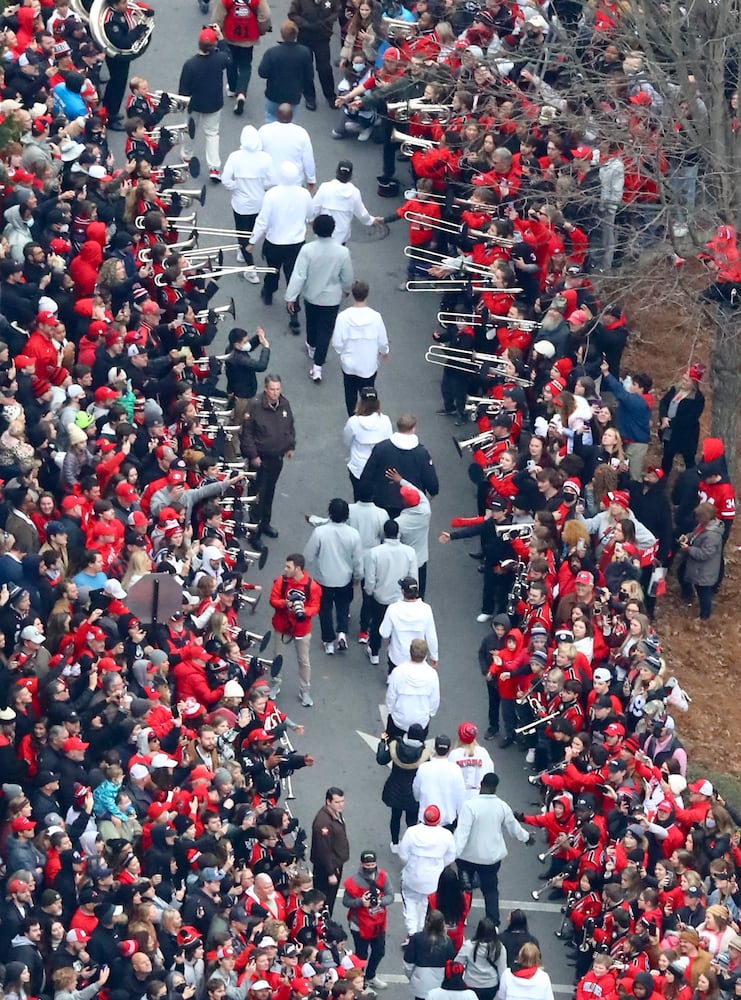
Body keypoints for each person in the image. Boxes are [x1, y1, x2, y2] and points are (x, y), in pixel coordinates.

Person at [453, 772, 534, 926]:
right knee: (490, 890)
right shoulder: (502, 806)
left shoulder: (470, 806)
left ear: (481, 785)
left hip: (467, 857)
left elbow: (462, 834)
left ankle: (462, 917)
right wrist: (526, 838)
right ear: (495, 788)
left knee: (464, 887)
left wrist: (454, 854)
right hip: (490, 858)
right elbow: (514, 827)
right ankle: (493, 922)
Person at [284, 214, 354, 374]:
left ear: (315, 229)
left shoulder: (307, 250)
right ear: (333, 230)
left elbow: (299, 275)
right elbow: (347, 275)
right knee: (326, 330)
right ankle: (318, 366)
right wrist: (346, 289)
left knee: (312, 322)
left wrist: (291, 297)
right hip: (332, 298)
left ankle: (311, 345)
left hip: (311, 295)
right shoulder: (342, 252)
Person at [248, 160, 314, 307]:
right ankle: (294, 311)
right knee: (293, 276)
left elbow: (262, 221)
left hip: (275, 242)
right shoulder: (304, 194)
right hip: (296, 243)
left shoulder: (272, 194)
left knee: (272, 270)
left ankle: (268, 293)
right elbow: (311, 215)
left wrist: (252, 241)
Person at [240, 373, 297, 539]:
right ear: (266, 389)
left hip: (276, 458)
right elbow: (247, 434)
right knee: (257, 495)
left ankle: (265, 523)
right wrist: (253, 455)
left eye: (278, 389)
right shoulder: (255, 406)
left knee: (269, 492)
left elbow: (290, 426)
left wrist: (290, 446)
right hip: (260, 459)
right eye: (272, 389)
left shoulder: (284, 404)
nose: (275, 393)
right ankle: (253, 531)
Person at [304, 497, 363, 654]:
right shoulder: (354, 535)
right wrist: (357, 577)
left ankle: (328, 641)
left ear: (330, 514)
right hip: (345, 578)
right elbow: (357, 560)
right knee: (343, 605)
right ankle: (342, 632)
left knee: (325, 609)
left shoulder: (320, 532)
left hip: (323, 578)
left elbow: (308, 555)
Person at [221, 126, 277, 282]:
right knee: (253, 229)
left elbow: (226, 180)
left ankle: (250, 269)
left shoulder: (235, 157)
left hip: (240, 204)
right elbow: (272, 180)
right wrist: (260, 186)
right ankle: (243, 251)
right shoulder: (265, 158)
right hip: (259, 202)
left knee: (242, 233)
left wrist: (236, 186)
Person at [179, 25, 232, 183]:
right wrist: (221, 39)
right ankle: (214, 168)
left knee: (190, 131)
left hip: (194, 105)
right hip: (214, 104)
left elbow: (183, 90)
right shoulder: (220, 59)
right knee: (212, 134)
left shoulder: (190, 64)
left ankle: (186, 158)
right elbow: (229, 57)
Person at [359, 414, 439, 517]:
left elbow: (367, 475)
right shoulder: (421, 453)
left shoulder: (381, 448)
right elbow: (431, 482)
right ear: (413, 429)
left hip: (384, 501)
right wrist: (433, 491)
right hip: (411, 503)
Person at [269, 552, 322, 706]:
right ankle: (275, 683)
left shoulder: (312, 586)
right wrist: (284, 604)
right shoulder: (281, 581)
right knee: (277, 656)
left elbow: (315, 606)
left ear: (298, 568)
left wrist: (303, 612)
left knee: (304, 661)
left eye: (288, 567)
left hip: (301, 628)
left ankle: (305, 690)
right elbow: (273, 600)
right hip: (282, 624)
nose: (285, 569)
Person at [332, 279, 390, 416]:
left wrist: (342, 353)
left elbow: (336, 342)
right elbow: (382, 339)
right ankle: (368, 417)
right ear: (367, 294)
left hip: (349, 365)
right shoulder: (375, 317)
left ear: (352, 294)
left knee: (350, 395)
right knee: (368, 395)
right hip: (368, 365)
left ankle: (353, 418)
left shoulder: (343, 317)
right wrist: (384, 351)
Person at [365, 524, 418, 667]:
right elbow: (413, 576)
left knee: (376, 624)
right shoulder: (409, 552)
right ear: (398, 533)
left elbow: (370, 578)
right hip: (400, 598)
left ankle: (374, 652)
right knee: (397, 629)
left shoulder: (374, 552)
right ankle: (392, 656)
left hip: (381, 596)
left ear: (384, 533)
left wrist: (369, 592)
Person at [399, 804, 456, 931]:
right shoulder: (446, 835)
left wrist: (411, 865)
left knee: (410, 905)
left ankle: (412, 932)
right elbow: (451, 856)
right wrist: (440, 865)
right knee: (426, 907)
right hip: (434, 880)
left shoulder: (412, 831)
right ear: (439, 819)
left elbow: (403, 855)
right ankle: (421, 931)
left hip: (412, 876)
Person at [342, 849, 393, 991]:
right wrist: (360, 902)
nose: (370, 867)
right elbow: (346, 901)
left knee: (379, 951)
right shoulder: (353, 881)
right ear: (362, 864)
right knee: (361, 955)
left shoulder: (383, 876)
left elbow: (390, 896)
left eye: (372, 864)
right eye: (367, 864)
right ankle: (360, 981)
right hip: (359, 924)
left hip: (378, 923)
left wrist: (381, 901)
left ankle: (370, 976)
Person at [213, 0, 272, 116]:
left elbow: (218, 17)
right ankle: (241, 94)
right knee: (245, 66)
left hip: (230, 35)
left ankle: (233, 87)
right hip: (248, 37)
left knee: (231, 62)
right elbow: (265, 16)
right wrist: (261, 29)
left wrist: (217, 33)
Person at [101, 0, 153, 129]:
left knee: (117, 83)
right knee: (118, 84)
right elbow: (123, 43)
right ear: (115, 5)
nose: (127, 5)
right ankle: (111, 117)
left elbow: (135, 7)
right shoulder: (111, 21)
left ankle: (109, 110)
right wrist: (139, 29)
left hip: (121, 56)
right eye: (123, 3)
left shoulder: (121, 10)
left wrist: (147, 10)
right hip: (117, 56)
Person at [377, 722, 429, 850]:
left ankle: (395, 843)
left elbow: (381, 759)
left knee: (395, 817)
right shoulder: (424, 754)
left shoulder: (396, 747)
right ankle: (410, 846)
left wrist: (382, 742)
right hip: (413, 792)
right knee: (412, 821)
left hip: (395, 788)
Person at [222, 326, 271, 458]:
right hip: (242, 397)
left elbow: (249, 347)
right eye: (244, 341)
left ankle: (239, 452)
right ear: (237, 344)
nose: (247, 343)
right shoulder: (239, 358)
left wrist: (257, 338)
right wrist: (265, 347)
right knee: (235, 427)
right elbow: (261, 366)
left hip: (241, 393)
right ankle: (230, 459)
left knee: (244, 425)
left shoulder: (232, 350)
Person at [287, 0, 341, 109]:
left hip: (322, 37)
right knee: (306, 68)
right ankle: (309, 97)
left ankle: (330, 96)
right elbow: (292, 14)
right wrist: (305, 24)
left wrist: (326, 22)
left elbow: (338, 11)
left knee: (324, 68)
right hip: (305, 37)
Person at [379, 576, 439, 673]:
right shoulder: (426, 609)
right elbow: (431, 636)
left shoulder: (393, 608)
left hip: (397, 657)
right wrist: (434, 656)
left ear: (403, 591)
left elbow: (384, 633)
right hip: (418, 658)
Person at [257, 20, 314, 122]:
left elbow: (262, 73)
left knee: (271, 117)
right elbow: (309, 76)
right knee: (290, 120)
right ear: (296, 34)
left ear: (282, 35)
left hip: (274, 94)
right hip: (293, 95)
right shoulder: (304, 52)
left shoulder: (272, 52)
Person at [312, 161, 380, 246]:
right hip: (342, 235)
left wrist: (311, 220)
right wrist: (372, 221)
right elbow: (362, 214)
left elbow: (314, 209)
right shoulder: (354, 193)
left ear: (336, 172)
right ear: (350, 176)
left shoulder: (325, 188)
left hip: (323, 233)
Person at [343, 388, 393, 499]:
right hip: (379, 468)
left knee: (359, 497)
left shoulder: (353, 422)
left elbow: (347, 440)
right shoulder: (385, 420)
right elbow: (389, 443)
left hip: (358, 468)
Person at [385, 637, 439, 739]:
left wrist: (391, 711)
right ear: (425, 655)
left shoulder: (398, 671)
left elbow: (391, 696)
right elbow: (434, 700)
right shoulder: (432, 674)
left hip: (399, 720)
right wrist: (429, 714)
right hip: (420, 722)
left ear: (410, 652)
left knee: (391, 743)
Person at [678, 502, 724, 620]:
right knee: (699, 589)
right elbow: (694, 534)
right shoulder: (702, 526)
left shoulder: (712, 535)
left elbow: (704, 554)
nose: (696, 518)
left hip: (705, 570)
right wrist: (687, 537)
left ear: (705, 517)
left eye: (699, 516)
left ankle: (705, 615)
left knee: (704, 593)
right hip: (699, 568)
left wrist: (688, 549)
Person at [310, 787, 350, 917]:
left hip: (335, 864)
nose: (341, 805)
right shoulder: (323, 822)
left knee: (329, 899)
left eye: (342, 801)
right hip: (327, 868)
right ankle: (323, 925)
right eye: (337, 802)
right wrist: (330, 872)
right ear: (328, 801)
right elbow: (324, 850)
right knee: (324, 900)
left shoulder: (334, 814)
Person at [659, 365, 706, 475]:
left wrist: (670, 422)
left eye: (687, 381)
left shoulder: (697, 398)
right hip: (669, 432)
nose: (683, 382)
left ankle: (692, 483)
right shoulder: (675, 389)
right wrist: (663, 417)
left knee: (689, 460)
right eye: (683, 379)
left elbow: (690, 418)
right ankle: (662, 482)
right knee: (666, 458)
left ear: (693, 383)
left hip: (686, 435)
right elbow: (664, 402)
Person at [258, 104, 317, 188]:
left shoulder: (264, 131)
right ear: (292, 116)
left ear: (277, 115)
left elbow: (257, 155)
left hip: (269, 182)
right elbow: (308, 159)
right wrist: (311, 179)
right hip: (294, 183)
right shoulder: (301, 133)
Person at [403, 909, 457, 999]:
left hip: (420, 984)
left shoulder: (416, 938)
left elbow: (408, 963)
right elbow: (450, 964)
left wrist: (412, 977)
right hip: (440, 984)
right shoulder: (448, 942)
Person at [456, 919, 508, 1000]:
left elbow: (457, 963)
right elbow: (502, 971)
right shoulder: (499, 948)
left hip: (471, 984)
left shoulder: (468, 946)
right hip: (491, 985)